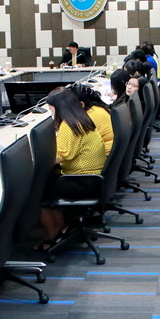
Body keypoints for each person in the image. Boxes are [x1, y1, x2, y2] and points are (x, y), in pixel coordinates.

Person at [36, 89, 107, 251]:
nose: (51, 114)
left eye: (51, 110)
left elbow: (60, 156)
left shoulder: (68, 126)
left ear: (60, 109)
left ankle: (52, 236)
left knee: (39, 194)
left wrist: (33, 158)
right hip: (93, 177)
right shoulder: (81, 119)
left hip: (82, 181)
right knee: (51, 178)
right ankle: (62, 228)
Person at [71, 84, 114, 155]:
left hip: (105, 154)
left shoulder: (88, 117)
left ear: (82, 104)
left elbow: (75, 144)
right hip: (112, 151)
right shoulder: (97, 107)